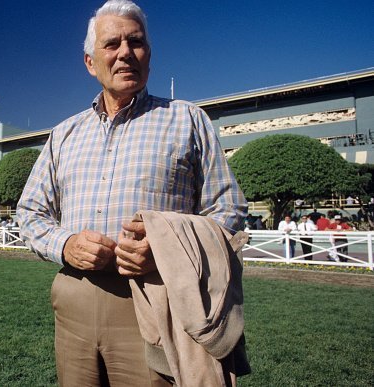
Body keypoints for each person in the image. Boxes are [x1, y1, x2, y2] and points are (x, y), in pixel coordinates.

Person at [17, 1, 248, 385]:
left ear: (149, 56)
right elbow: (29, 213)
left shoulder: (188, 120)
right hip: (75, 298)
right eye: (112, 44)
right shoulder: (64, 134)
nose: (125, 52)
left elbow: (228, 210)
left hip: (154, 300)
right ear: (91, 62)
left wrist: (165, 251)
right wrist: (66, 244)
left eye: (135, 42)